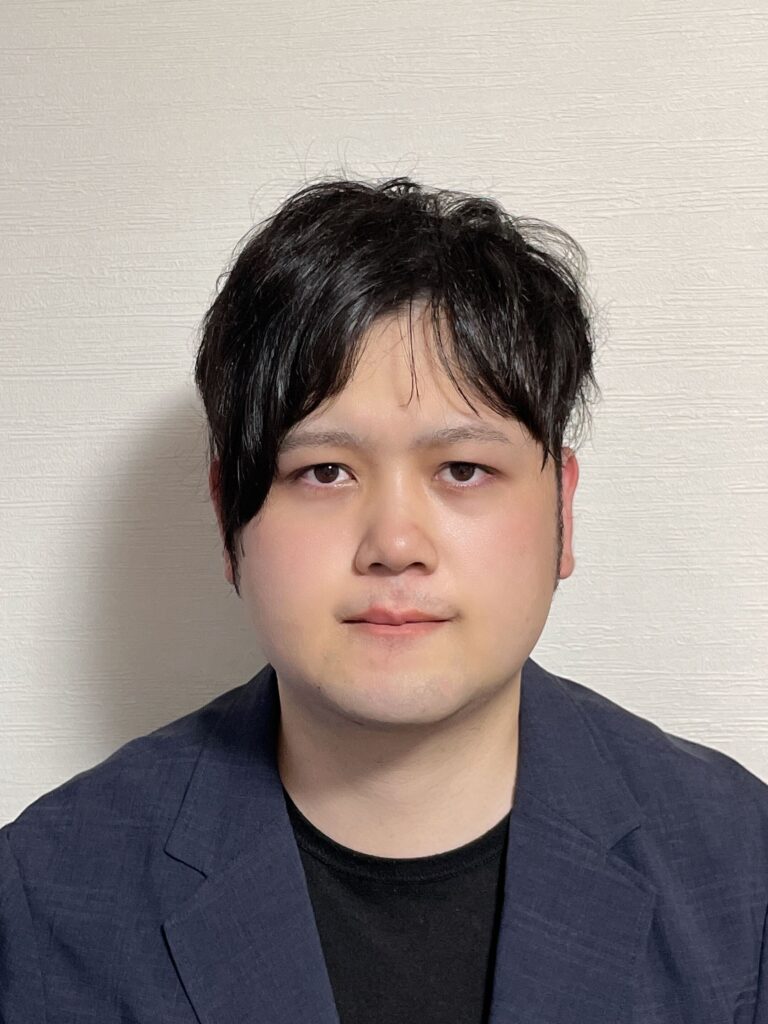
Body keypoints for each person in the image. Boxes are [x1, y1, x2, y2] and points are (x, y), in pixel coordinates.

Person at [1, 177, 766, 1024]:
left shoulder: (742, 872)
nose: (395, 544)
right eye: (324, 472)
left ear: (564, 511)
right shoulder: (43, 896)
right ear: (229, 520)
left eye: (464, 469)